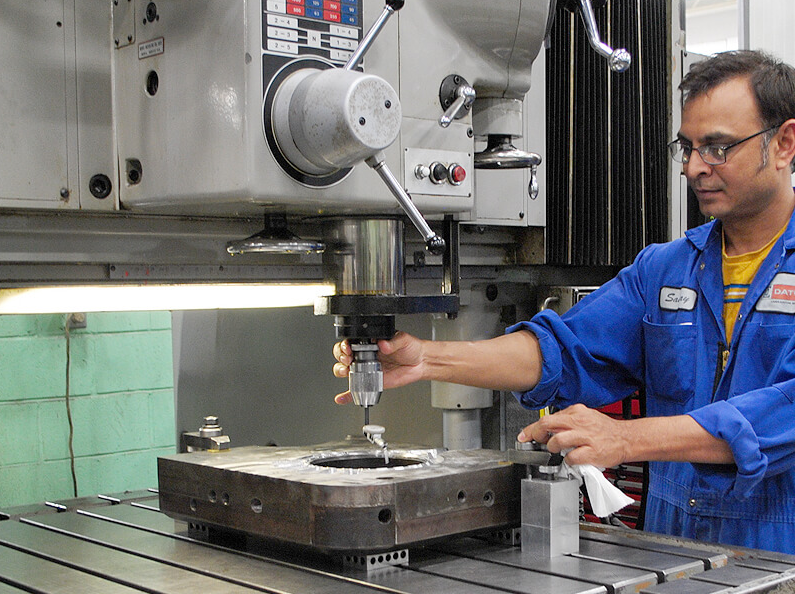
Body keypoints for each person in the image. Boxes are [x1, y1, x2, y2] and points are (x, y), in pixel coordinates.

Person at [333, 49, 795, 554]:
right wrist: (428, 358)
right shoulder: (665, 269)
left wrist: (628, 438)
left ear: (785, 144)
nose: (694, 168)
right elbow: (564, 348)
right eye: (685, 148)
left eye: (718, 148)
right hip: (676, 555)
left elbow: (781, 413)